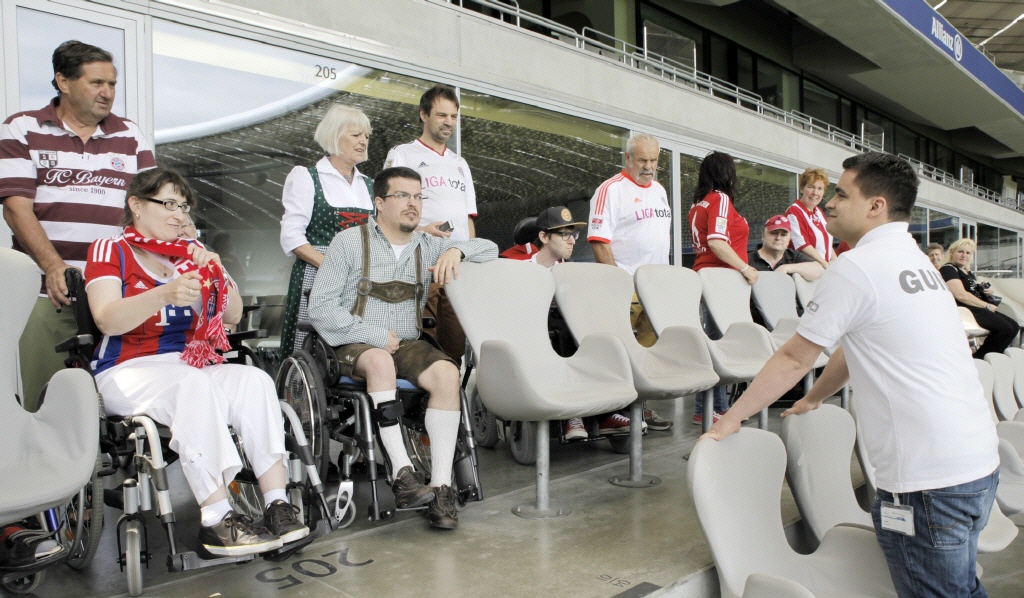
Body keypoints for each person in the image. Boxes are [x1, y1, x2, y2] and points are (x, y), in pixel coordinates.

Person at [702, 152, 999, 598]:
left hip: (927, 482)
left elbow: (794, 358)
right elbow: (855, 344)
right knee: (961, 589)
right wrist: (816, 398)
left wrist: (732, 417)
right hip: (976, 464)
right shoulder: (919, 264)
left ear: (876, 206)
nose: (830, 205)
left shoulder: (857, 267)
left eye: (842, 193)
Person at [84, 168, 308, 556]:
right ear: (136, 205)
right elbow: (106, 318)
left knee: (253, 381)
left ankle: (276, 504)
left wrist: (214, 269)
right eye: (168, 203)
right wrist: (163, 295)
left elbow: (234, 315)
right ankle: (217, 518)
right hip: (126, 369)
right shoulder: (110, 249)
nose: (178, 214)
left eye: (183, 206)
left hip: (186, 366)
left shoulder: (190, 257)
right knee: (193, 384)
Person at [307, 166, 497, 530]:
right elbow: (319, 308)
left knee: (447, 372)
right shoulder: (348, 242)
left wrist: (456, 249)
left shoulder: (429, 245)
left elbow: (489, 248)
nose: (414, 204)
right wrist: (376, 335)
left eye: (418, 196)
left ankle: (441, 486)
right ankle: (402, 473)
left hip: (407, 342)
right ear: (379, 202)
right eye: (403, 196)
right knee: (380, 361)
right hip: (353, 342)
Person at [0, 40, 155, 411]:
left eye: (112, 84)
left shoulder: (130, 135)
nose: (107, 93)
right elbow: (16, 209)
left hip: (117, 297)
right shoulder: (22, 128)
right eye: (96, 83)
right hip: (47, 296)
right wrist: (53, 267)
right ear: (63, 81)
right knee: (47, 402)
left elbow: (151, 211)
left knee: (121, 404)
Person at [384, 85, 477, 363]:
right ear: (424, 115)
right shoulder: (402, 154)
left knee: (455, 350)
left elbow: (469, 219)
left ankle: (451, 401)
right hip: (421, 267)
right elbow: (386, 215)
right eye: (441, 115)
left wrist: (470, 256)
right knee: (423, 347)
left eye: (454, 116)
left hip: (457, 270)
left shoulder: (461, 163)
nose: (449, 122)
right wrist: (422, 230)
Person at [587, 132, 673, 430]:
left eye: (654, 161)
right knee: (621, 353)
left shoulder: (660, 190)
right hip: (627, 288)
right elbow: (599, 241)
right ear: (627, 159)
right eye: (642, 160)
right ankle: (613, 411)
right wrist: (619, 287)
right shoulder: (610, 190)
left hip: (656, 290)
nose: (648, 167)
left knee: (646, 355)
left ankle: (640, 408)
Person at [279, 105, 374, 358]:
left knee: (354, 349)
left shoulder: (370, 185)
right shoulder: (307, 177)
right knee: (307, 348)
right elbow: (292, 236)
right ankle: (297, 394)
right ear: (335, 135)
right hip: (315, 272)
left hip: (359, 279)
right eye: (356, 135)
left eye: (366, 136)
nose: (363, 140)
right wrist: (333, 266)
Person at [688, 151, 752, 424]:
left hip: (706, 278)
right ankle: (708, 409)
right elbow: (716, 241)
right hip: (720, 280)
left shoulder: (698, 204)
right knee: (719, 346)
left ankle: (715, 407)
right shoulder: (721, 199)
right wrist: (746, 268)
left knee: (714, 343)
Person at [940, 238, 1019, 357]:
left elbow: (971, 291)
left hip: (977, 307)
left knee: (1014, 326)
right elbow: (961, 295)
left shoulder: (967, 272)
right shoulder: (948, 269)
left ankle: (990, 356)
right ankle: (981, 358)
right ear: (952, 253)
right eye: (960, 252)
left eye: (968, 253)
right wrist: (986, 305)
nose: (964, 255)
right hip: (966, 309)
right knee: (1005, 328)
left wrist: (986, 292)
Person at [748, 215, 824, 281]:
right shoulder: (747, 259)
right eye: (773, 233)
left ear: (789, 239)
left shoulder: (793, 256)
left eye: (783, 235)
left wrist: (786, 268)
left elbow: (819, 270)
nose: (778, 238)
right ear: (763, 236)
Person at [786, 167, 834, 268]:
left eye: (820, 188)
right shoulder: (794, 211)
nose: (815, 193)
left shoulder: (818, 212)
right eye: (811, 187)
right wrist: (825, 265)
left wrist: (836, 263)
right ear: (802, 188)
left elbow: (827, 242)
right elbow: (802, 245)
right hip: (807, 270)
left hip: (824, 268)